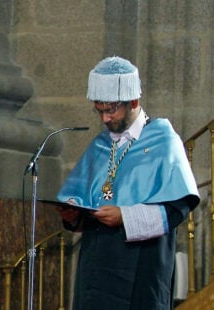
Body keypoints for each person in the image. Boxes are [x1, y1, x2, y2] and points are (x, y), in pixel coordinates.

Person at [55, 56, 200, 309]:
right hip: (96, 267)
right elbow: (86, 203)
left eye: (111, 110)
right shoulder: (100, 145)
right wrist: (74, 216)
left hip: (141, 265)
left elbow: (177, 208)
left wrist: (125, 216)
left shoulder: (163, 139)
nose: (105, 119)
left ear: (133, 101)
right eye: (99, 110)